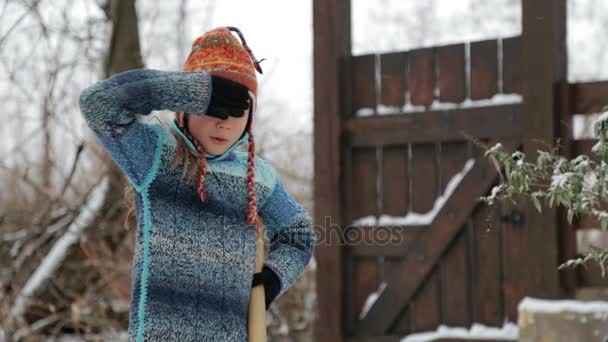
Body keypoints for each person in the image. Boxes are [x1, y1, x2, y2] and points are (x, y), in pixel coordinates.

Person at [79, 26, 316, 341]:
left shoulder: (258, 177)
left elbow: (298, 234)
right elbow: (98, 103)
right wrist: (197, 90)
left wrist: (274, 276)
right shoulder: (154, 156)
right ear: (186, 106)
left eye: (236, 110)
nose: (223, 121)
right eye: (211, 108)